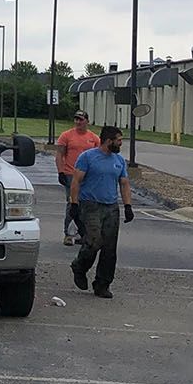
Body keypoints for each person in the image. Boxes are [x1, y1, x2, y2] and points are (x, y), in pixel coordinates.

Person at [68, 124, 133, 299]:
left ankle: (102, 284)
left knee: (110, 248)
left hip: (111, 207)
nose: (120, 144)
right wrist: (74, 204)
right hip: (91, 205)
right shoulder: (88, 157)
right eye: (118, 141)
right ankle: (79, 266)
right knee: (94, 242)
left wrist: (128, 206)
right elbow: (76, 181)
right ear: (108, 141)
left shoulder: (118, 161)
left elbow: (124, 183)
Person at [53, 110, 99, 246]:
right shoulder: (66, 136)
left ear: (87, 121)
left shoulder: (94, 138)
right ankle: (68, 233)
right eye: (76, 119)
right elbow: (60, 155)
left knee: (86, 204)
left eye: (81, 119)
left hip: (87, 175)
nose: (78, 122)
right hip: (70, 174)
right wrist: (60, 172)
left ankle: (82, 233)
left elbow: (98, 157)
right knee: (72, 203)